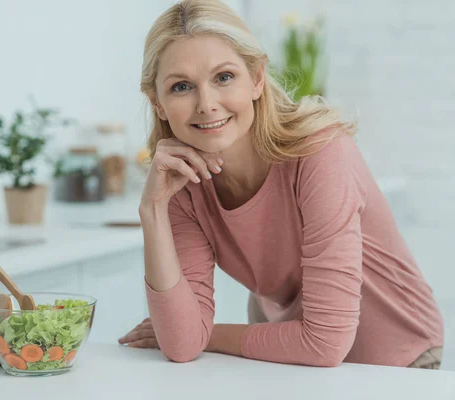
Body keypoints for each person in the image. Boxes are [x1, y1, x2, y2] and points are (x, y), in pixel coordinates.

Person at [117, 0, 444, 369]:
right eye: (181, 86)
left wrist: (206, 333)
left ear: (257, 78)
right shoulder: (181, 181)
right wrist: (152, 210)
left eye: (224, 77)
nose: (206, 104)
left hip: (397, 364)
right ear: (157, 102)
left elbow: (324, 344)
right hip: (290, 364)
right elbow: (180, 345)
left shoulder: (321, 153)